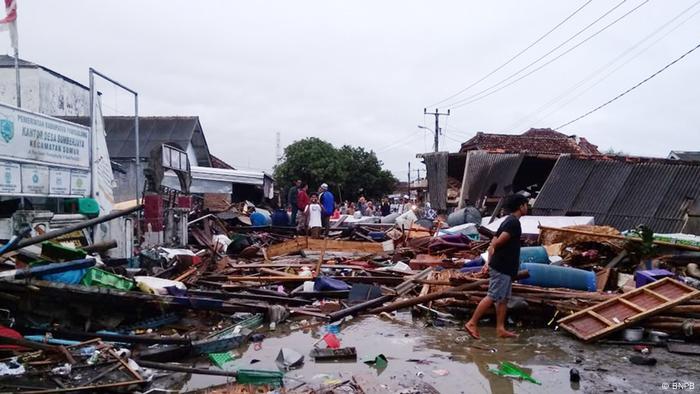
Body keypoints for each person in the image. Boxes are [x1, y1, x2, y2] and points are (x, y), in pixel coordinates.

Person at [464, 194, 528, 340]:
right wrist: (495, 249)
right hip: (502, 267)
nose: (527, 207)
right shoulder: (513, 223)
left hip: (504, 267)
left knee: (503, 299)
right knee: (493, 296)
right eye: (525, 204)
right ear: (520, 206)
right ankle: (472, 323)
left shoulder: (507, 221)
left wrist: (488, 262)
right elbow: (496, 242)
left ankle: (500, 328)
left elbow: (492, 242)